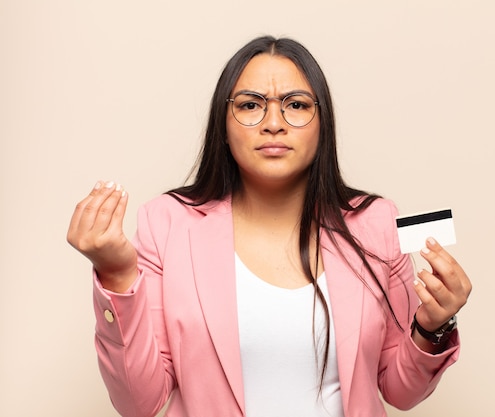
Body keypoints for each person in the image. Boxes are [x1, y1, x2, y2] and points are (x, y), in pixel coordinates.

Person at [67, 36, 472, 417]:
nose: (273, 123)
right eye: (250, 105)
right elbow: (140, 401)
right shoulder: (166, 222)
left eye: (296, 105)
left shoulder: (375, 222)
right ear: (223, 125)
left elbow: (400, 391)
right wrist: (118, 276)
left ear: (322, 122)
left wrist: (432, 326)